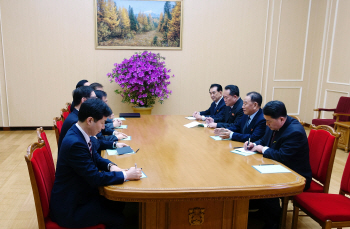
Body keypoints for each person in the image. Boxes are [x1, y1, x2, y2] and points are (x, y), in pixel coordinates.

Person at [50, 98, 142, 229]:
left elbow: (96, 157)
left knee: (119, 204)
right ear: (90, 120)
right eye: (102, 123)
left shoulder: (80, 132)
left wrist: (112, 167)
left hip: (80, 194)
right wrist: (125, 175)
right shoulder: (75, 143)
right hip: (70, 208)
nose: (104, 127)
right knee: (120, 220)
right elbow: (94, 178)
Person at [245, 100, 312, 229]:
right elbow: (264, 140)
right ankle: (263, 212)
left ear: (281, 119)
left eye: (269, 121)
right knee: (252, 175)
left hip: (295, 174)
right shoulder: (273, 124)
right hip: (278, 167)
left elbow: (283, 156)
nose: (266, 124)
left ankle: (273, 223)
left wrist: (262, 149)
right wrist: (254, 144)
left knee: (267, 184)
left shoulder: (294, 132)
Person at [58, 86, 96, 151]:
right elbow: (91, 146)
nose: (96, 102)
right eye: (94, 99)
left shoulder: (78, 115)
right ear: (84, 100)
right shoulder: (75, 121)